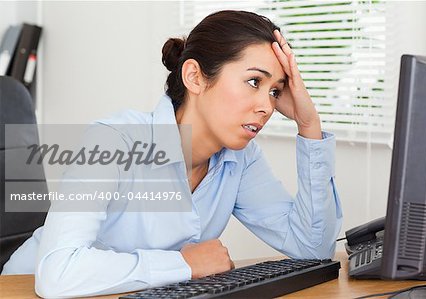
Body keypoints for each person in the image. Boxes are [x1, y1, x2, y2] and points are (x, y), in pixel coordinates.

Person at [1, 10, 343, 298]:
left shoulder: (241, 159)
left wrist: (308, 123)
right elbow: (57, 273)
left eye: (275, 92)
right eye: (255, 82)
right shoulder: (112, 140)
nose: (266, 106)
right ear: (194, 77)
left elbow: (311, 251)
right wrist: (184, 264)